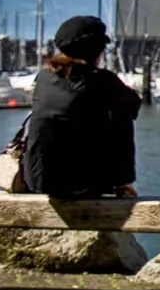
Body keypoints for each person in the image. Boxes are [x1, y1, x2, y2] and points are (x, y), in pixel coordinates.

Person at [22, 15, 142, 198]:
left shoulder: (44, 77)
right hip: (80, 182)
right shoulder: (102, 81)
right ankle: (122, 183)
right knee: (121, 115)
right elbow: (133, 104)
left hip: (39, 180)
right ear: (97, 51)